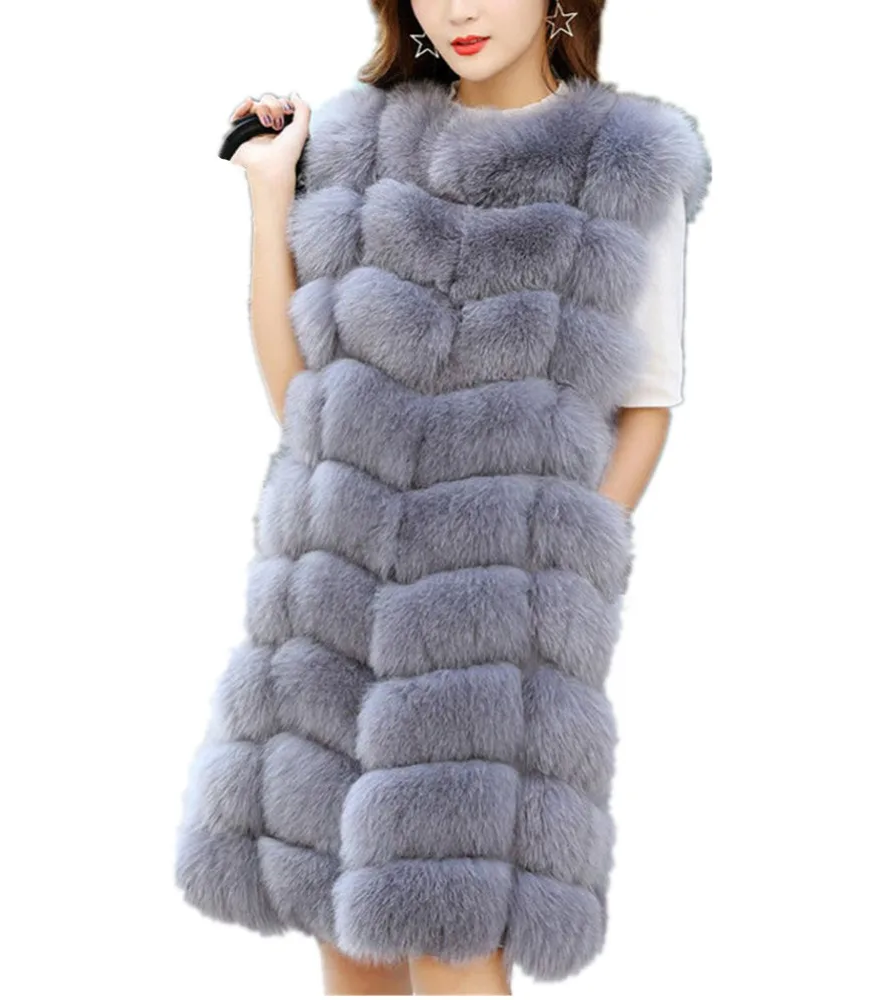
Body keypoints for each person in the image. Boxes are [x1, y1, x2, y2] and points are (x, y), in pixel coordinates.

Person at [175, 1, 711, 994]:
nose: (459, 8)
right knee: (350, 947)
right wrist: (270, 189)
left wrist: (551, 563)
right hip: (330, 613)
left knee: (454, 948)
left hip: (489, 634)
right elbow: (303, 402)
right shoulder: (357, 144)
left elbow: (647, 405)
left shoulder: (625, 164)